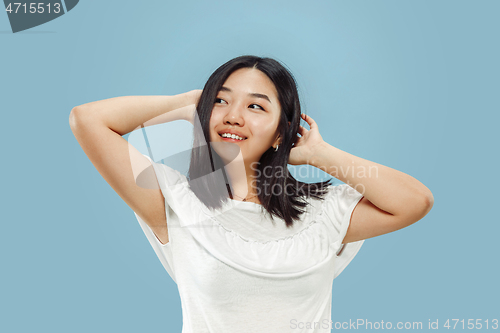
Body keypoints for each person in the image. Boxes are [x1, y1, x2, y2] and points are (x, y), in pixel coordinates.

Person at [69, 55, 434, 332]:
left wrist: (320, 155)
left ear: (281, 133)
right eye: (221, 101)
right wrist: (188, 102)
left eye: (255, 106)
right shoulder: (172, 200)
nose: (233, 115)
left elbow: (415, 201)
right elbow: (88, 120)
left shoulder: (323, 213)